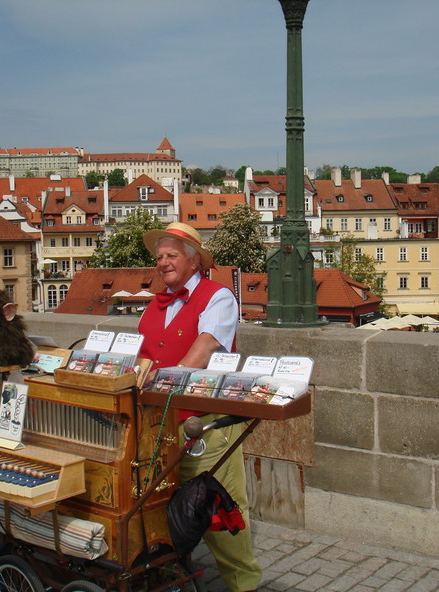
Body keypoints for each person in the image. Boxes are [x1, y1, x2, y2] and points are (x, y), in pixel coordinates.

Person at [138, 222, 262, 592]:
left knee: (218, 504)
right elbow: (143, 356)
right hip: (157, 420)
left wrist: (158, 383)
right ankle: (173, 571)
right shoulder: (155, 304)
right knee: (160, 504)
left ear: (193, 260)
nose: (162, 263)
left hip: (202, 421)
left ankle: (244, 583)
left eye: (171, 255)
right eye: (159, 257)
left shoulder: (218, 296)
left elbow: (202, 351)